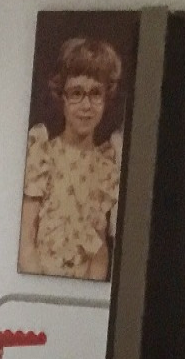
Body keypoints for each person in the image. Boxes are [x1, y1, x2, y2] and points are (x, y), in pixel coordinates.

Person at [19, 36, 126, 280]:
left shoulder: (106, 168)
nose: (86, 105)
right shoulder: (42, 154)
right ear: (62, 96)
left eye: (95, 93)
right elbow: (26, 242)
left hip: (81, 293)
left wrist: (81, 296)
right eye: (77, 93)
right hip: (37, 286)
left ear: (106, 97)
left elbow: (99, 254)